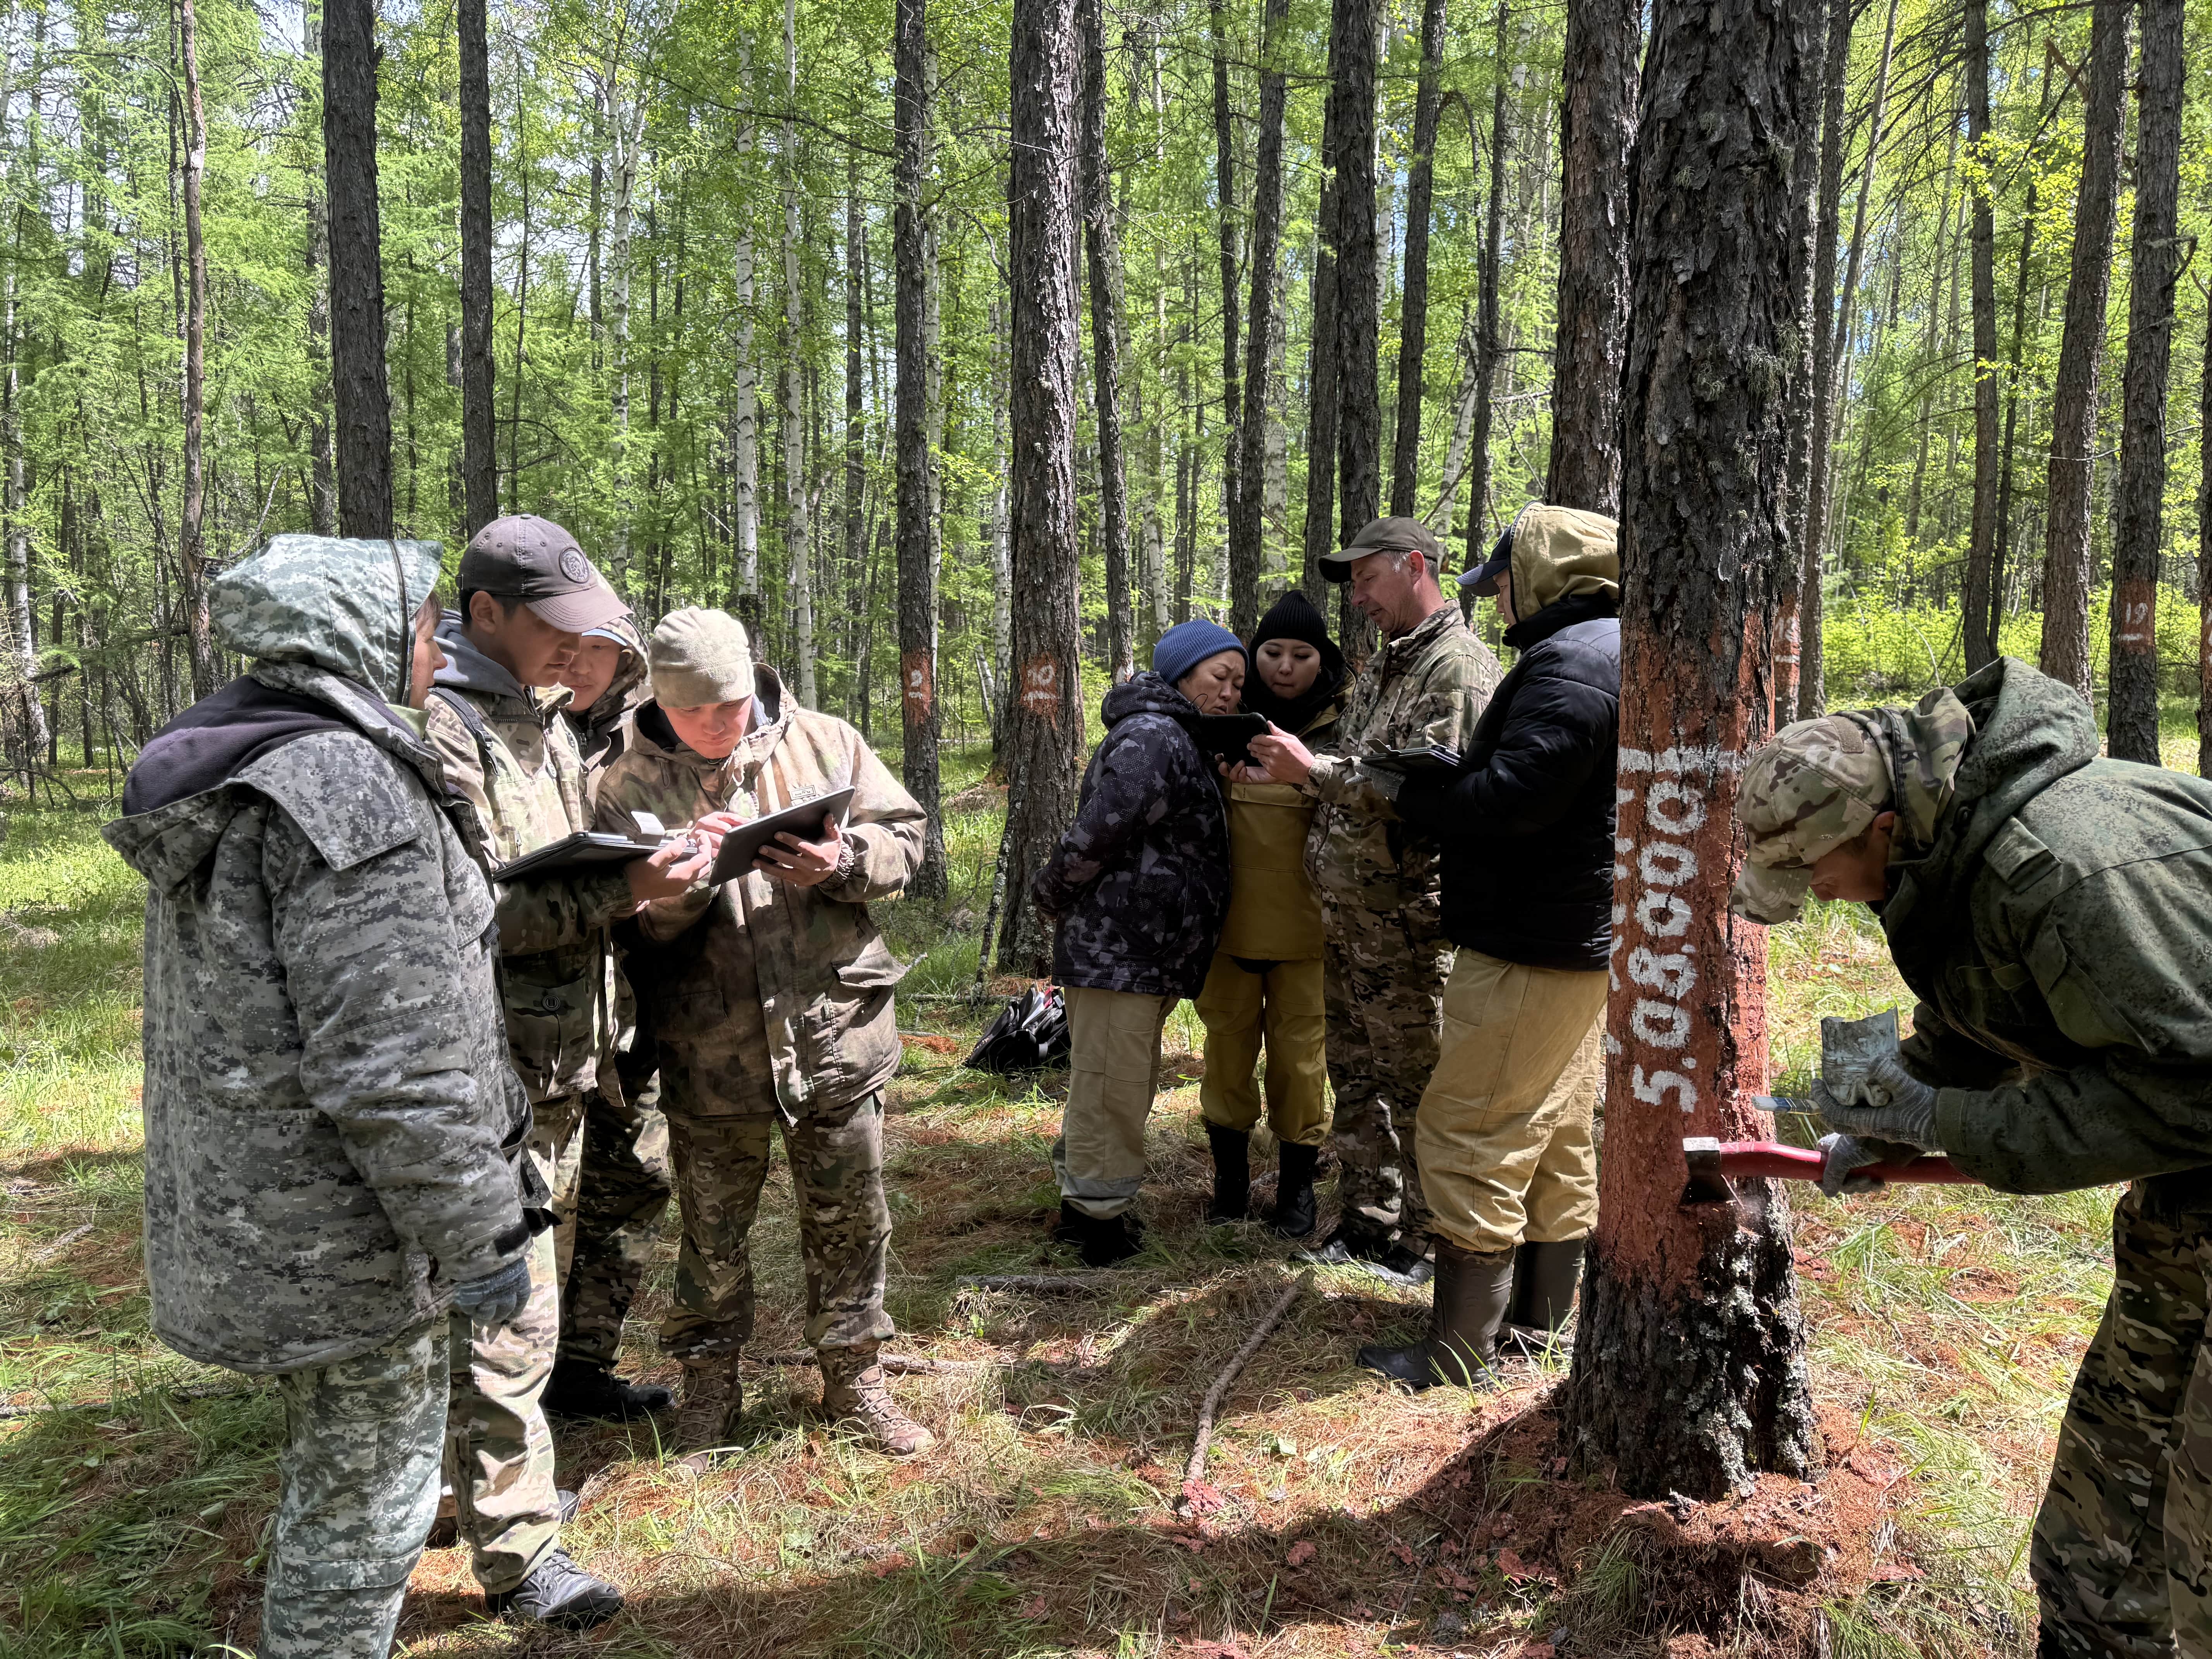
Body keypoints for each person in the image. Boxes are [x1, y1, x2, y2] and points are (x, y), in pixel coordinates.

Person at [104, 534, 543, 1653]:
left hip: (262, 1217)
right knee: (366, 1512)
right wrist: (482, 1236)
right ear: (358, 635)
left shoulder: (245, 764)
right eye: (423, 625)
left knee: (336, 1475)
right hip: (347, 1239)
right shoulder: (346, 786)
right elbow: (394, 1065)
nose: (436, 644)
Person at [1729, 659, 2212, 1659]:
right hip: (2187, 1207)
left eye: (1815, 871)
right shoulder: (1956, 849)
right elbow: (1994, 996)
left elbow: (2189, 1096)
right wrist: (1887, 1115)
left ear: (1879, 828)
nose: (1817, 896)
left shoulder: (2068, 872)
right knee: (2099, 1537)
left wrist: (1946, 1118)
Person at [425, 517, 705, 1618]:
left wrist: (651, 862)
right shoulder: (444, 731)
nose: (574, 649)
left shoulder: (536, 720)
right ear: (486, 613)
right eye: (557, 627)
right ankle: (517, 1554)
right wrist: (623, 889)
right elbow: (469, 912)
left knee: (518, 1302)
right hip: (488, 1067)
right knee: (506, 1308)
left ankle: (483, 1487)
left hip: (561, 1060)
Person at [594, 608, 936, 1458]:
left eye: (734, 704)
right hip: (710, 1048)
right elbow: (621, 928)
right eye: (696, 711)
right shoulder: (620, 783)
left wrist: (842, 861)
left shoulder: (825, 741)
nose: (719, 724)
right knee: (713, 1233)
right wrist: (677, 889)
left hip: (835, 1030)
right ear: (659, 700)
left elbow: (907, 838)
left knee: (852, 1218)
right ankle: (710, 1386)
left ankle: (855, 1379)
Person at [1357, 505, 1621, 1387]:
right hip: (1568, 937)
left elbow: (1514, 801)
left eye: (1503, 582)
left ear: (1544, 578)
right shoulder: (1601, 652)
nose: (1497, 599)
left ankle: (1459, 1353)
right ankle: (1541, 1329)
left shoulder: (1573, 664)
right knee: (1555, 1130)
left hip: (1529, 940)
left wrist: (1414, 791)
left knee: (1471, 1129)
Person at [1244, 517, 1503, 1287]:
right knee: (1355, 1074)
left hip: (1407, 921)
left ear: (1414, 566)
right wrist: (1293, 773)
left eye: (1366, 579)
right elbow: (1360, 768)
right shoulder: (1392, 662)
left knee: (1416, 1082)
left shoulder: (1456, 668)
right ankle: (1367, 1222)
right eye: (1352, 584)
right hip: (1351, 915)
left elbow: (1429, 796)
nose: (1357, 598)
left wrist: (1311, 773)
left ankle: (1426, 1240)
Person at [1034, 620, 1241, 1266]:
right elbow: (1097, 833)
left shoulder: (1179, 737)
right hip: (1116, 950)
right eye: (1220, 677)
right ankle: (1097, 1228)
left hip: (1141, 953)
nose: (1230, 692)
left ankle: (1086, 1206)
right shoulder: (1155, 735)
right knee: (1111, 1088)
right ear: (1181, 673)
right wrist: (1051, 894)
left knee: (1116, 1084)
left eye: (1239, 683)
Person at [540, 613, 677, 1423]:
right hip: (546, 1009)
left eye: (598, 649)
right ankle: (515, 1378)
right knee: (540, 1199)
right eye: (568, 646)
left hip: (641, 996)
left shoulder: (663, 728)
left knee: (632, 1181)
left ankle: (585, 1365)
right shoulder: (521, 730)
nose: (578, 664)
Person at [1195, 591, 1345, 1237]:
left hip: (1309, 933)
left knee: (1301, 1064)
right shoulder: (1219, 723)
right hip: (1228, 930)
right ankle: (1229, 1187)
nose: (1286, 666)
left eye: (1302, 655)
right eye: (1273, 652)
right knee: (1227, 1058)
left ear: (1324, 660)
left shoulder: (1345, 727)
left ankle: (1296, 1191)